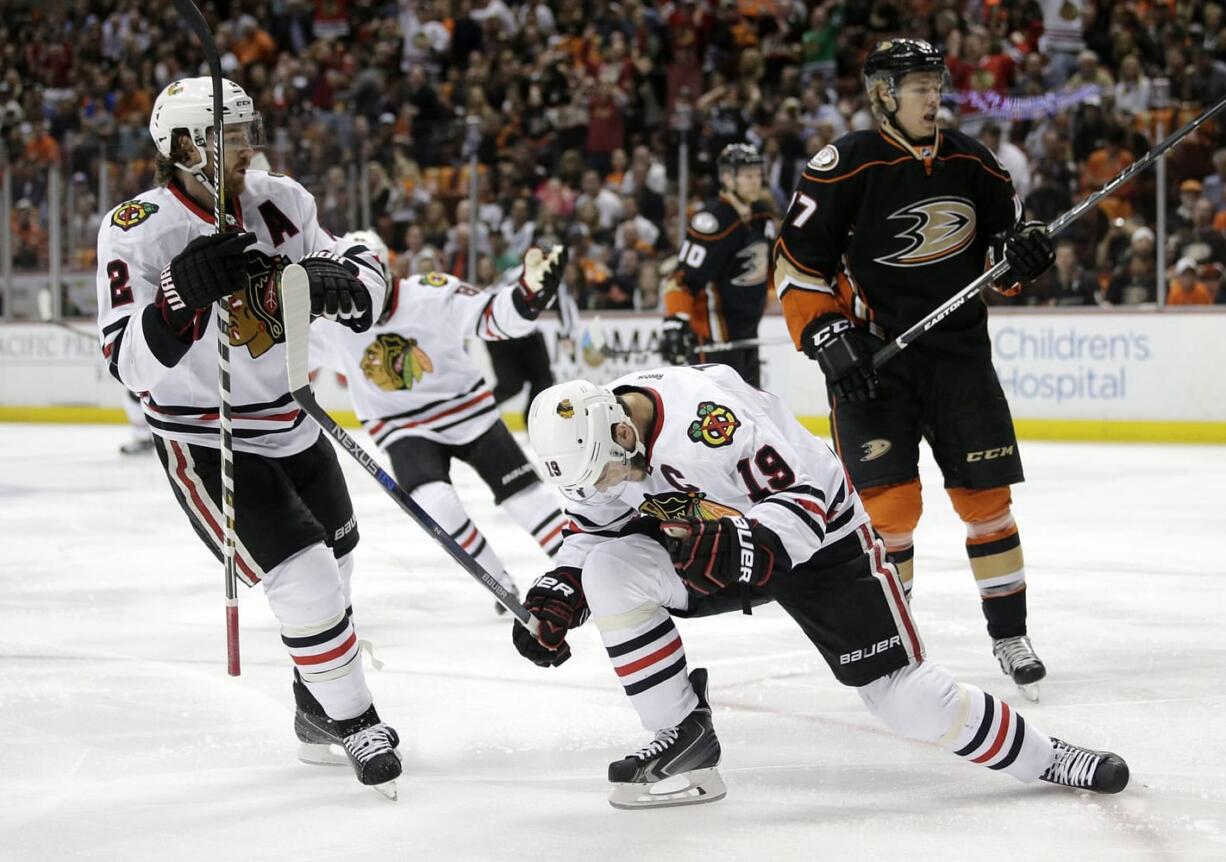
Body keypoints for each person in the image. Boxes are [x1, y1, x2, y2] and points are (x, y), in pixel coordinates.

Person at [511, 366, 1128, 809]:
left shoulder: (707, 424)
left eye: (611, 471)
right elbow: (597, 530)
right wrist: (557, 593)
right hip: (716, 544)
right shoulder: (603, 449)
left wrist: (745, 548)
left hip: (822, 544)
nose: (613, 486)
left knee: (903, 699)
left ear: (623, 431)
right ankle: (685, 738)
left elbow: (809, 498)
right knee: (607, 572)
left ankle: (1049, 756)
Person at [95, 78, 401, 795]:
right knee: (305, 575)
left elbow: (355, 275)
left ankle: (317, 706)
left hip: (291, 415)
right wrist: (177, 298)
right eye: (227, 136)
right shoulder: (136, 226)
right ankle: (357, 720)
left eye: (244, 131)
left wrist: (346, 288)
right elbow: (127, 366)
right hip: (208, 433)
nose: (245, 147)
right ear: (181, 148)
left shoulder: (283, 201)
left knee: (342, 560)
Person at [770, 40, 1057, 700]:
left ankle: (1009, 635)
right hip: (873, 365)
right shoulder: (844, 165)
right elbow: (796, 266)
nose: (935, 97)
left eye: (937, 84)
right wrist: (824, 333)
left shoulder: (973, 161)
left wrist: (1023, 256)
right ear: (882, 96)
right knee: (890, 512)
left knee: (987, 504)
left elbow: (999, 253)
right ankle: (894, 647)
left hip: (958, 360)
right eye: (920, 86)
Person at [310, 232, 570, 613]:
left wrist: (528, 295)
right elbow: (277, 348)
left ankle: (581, 568)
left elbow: (494, 318)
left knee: (527, 499)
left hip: (470, 412)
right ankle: (501, 585)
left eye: (368, 276)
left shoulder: (432, 293)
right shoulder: (332, 320)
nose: (361, 291)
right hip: (402, 429)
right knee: (437, 505)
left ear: (386, 268)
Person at [660, 143, 776, 387]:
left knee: (753, 413)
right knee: (717, 416)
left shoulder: (762, 216)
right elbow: (681, 281)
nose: (755, 181)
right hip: (715, 338)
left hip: (747, 333)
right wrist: (675, 320)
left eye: (757, 174)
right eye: (747, 175)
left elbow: (767, 268)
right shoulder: (713, 221)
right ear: (727, 177)